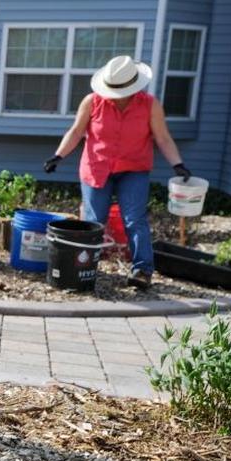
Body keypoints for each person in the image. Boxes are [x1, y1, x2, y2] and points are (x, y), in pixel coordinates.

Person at [43, 55, 191, 290]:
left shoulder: (149, 105)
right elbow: (76, 132)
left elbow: (162, 138)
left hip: (133, 170)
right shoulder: (92, 102)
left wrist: (178, 164)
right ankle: (83, 270)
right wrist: (58, 156)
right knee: (93, 222)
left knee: (135, 220)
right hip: (97, 168)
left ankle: (142, 270)